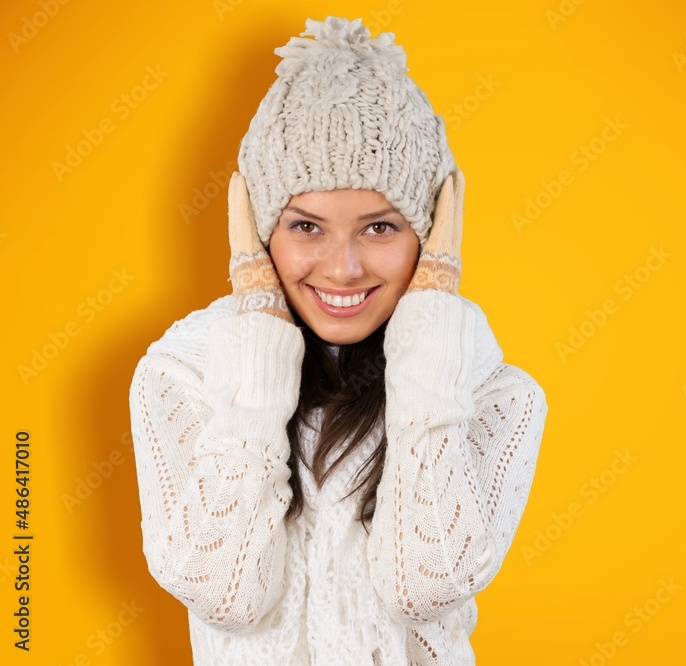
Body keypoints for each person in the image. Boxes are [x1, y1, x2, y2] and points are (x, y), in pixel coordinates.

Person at [128, 16, 548, 665]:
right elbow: (226, 596)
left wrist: (433, 313)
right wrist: (259, 334)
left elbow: (423, 589)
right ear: (259, 230)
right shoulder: (182, 377)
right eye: (306, 227)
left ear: (432, 234)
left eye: (380, 228)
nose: (343, 268)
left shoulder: (496, 397)